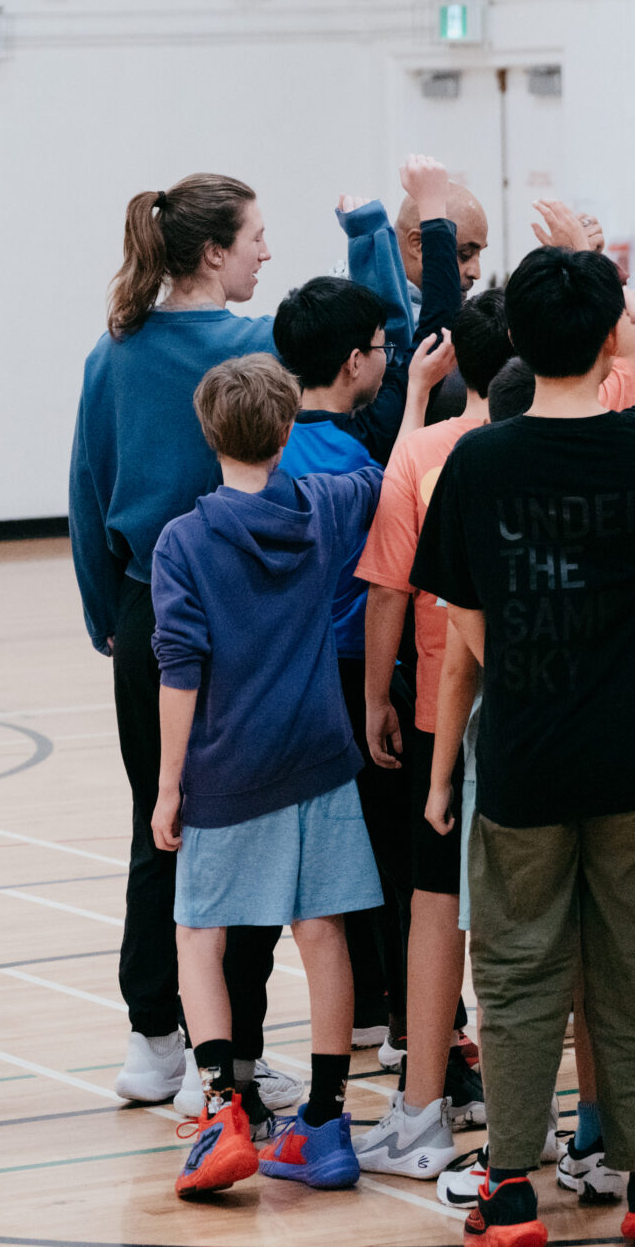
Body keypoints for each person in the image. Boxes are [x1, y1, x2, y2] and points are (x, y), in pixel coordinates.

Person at [411, 249, 635, 1247]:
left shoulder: (480, 458)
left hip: (527, 753)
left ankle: (506, 1189)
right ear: (607, 333)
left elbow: (467, 616)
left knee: (519, 970)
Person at [70, 173, 316, 1117]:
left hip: (145, 616)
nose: (266, 251)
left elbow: (88, 491)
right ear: (215, 251)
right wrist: (376, 229)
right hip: (243, 615)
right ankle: (235, 1054)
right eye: (256, 235)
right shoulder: (259, 349)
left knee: (158, 821)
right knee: (246, 827)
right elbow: (379, 342)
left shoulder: (115, 352)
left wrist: (107, 612)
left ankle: (153, 1042)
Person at [153, 355, 387, 1198]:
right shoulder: (322, 507)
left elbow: (179, 668)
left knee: (197, 937)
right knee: (321, 933)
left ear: (208, 432)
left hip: (230, 768)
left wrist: (169, 783)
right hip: (320, 761)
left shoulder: (183, 540)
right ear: (288, 433)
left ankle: (223, 1111)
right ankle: (325, 1124)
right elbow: (383, 476)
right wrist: (435, 391)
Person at [274, 229, 463, 1056]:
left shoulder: (273, 449)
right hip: (358, 670)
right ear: (356, 362)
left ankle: (347, 1014)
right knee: (390, 850)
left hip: (294, 678)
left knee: (328, 855)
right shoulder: (356, 463)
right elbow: (399, 512)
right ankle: (405, 1021)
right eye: (382, 347)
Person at [352, 295, 519, 1177]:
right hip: (543, 716)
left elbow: (387, 590)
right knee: (540, 917)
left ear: (459, 364)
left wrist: (377, 696)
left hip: (439, 723)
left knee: (434, 905)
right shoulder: (598, 429)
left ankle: (420, 1109)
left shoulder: (420, 451)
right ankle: (576, 1121)